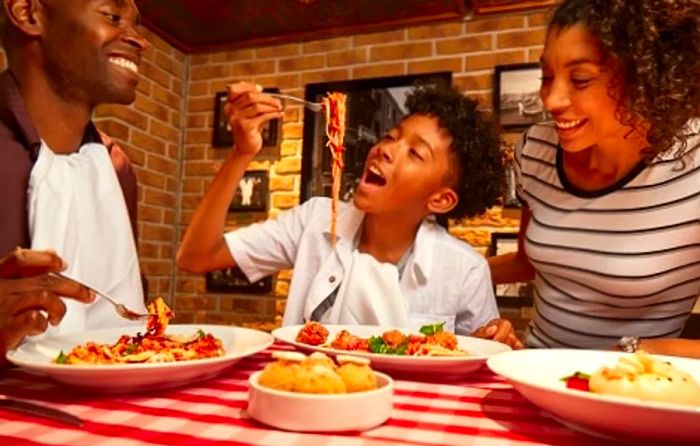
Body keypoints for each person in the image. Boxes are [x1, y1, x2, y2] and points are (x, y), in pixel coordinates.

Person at [178, 81, 522, 348]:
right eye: (391, 136)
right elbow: (196, 257)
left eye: (415, 153)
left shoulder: (464, 269)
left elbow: (478, 357)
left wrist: (494, 337)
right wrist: (241, 153)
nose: (385, 149)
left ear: (441, 199)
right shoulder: (314, 220)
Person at [488, 0, 700, 357]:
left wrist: (636, 353)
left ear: (645, 77)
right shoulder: (536, 148)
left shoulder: (693, 165)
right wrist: (440, 271)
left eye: (581, 79)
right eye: (547, 76)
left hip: (632, 391)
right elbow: (526, 261)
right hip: (535, 371)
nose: (552, 99)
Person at [0, 0, 149, 355]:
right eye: (113, 16)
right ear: (28, 13)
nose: (140, 40)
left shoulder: (116, 170)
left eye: (136, 24)